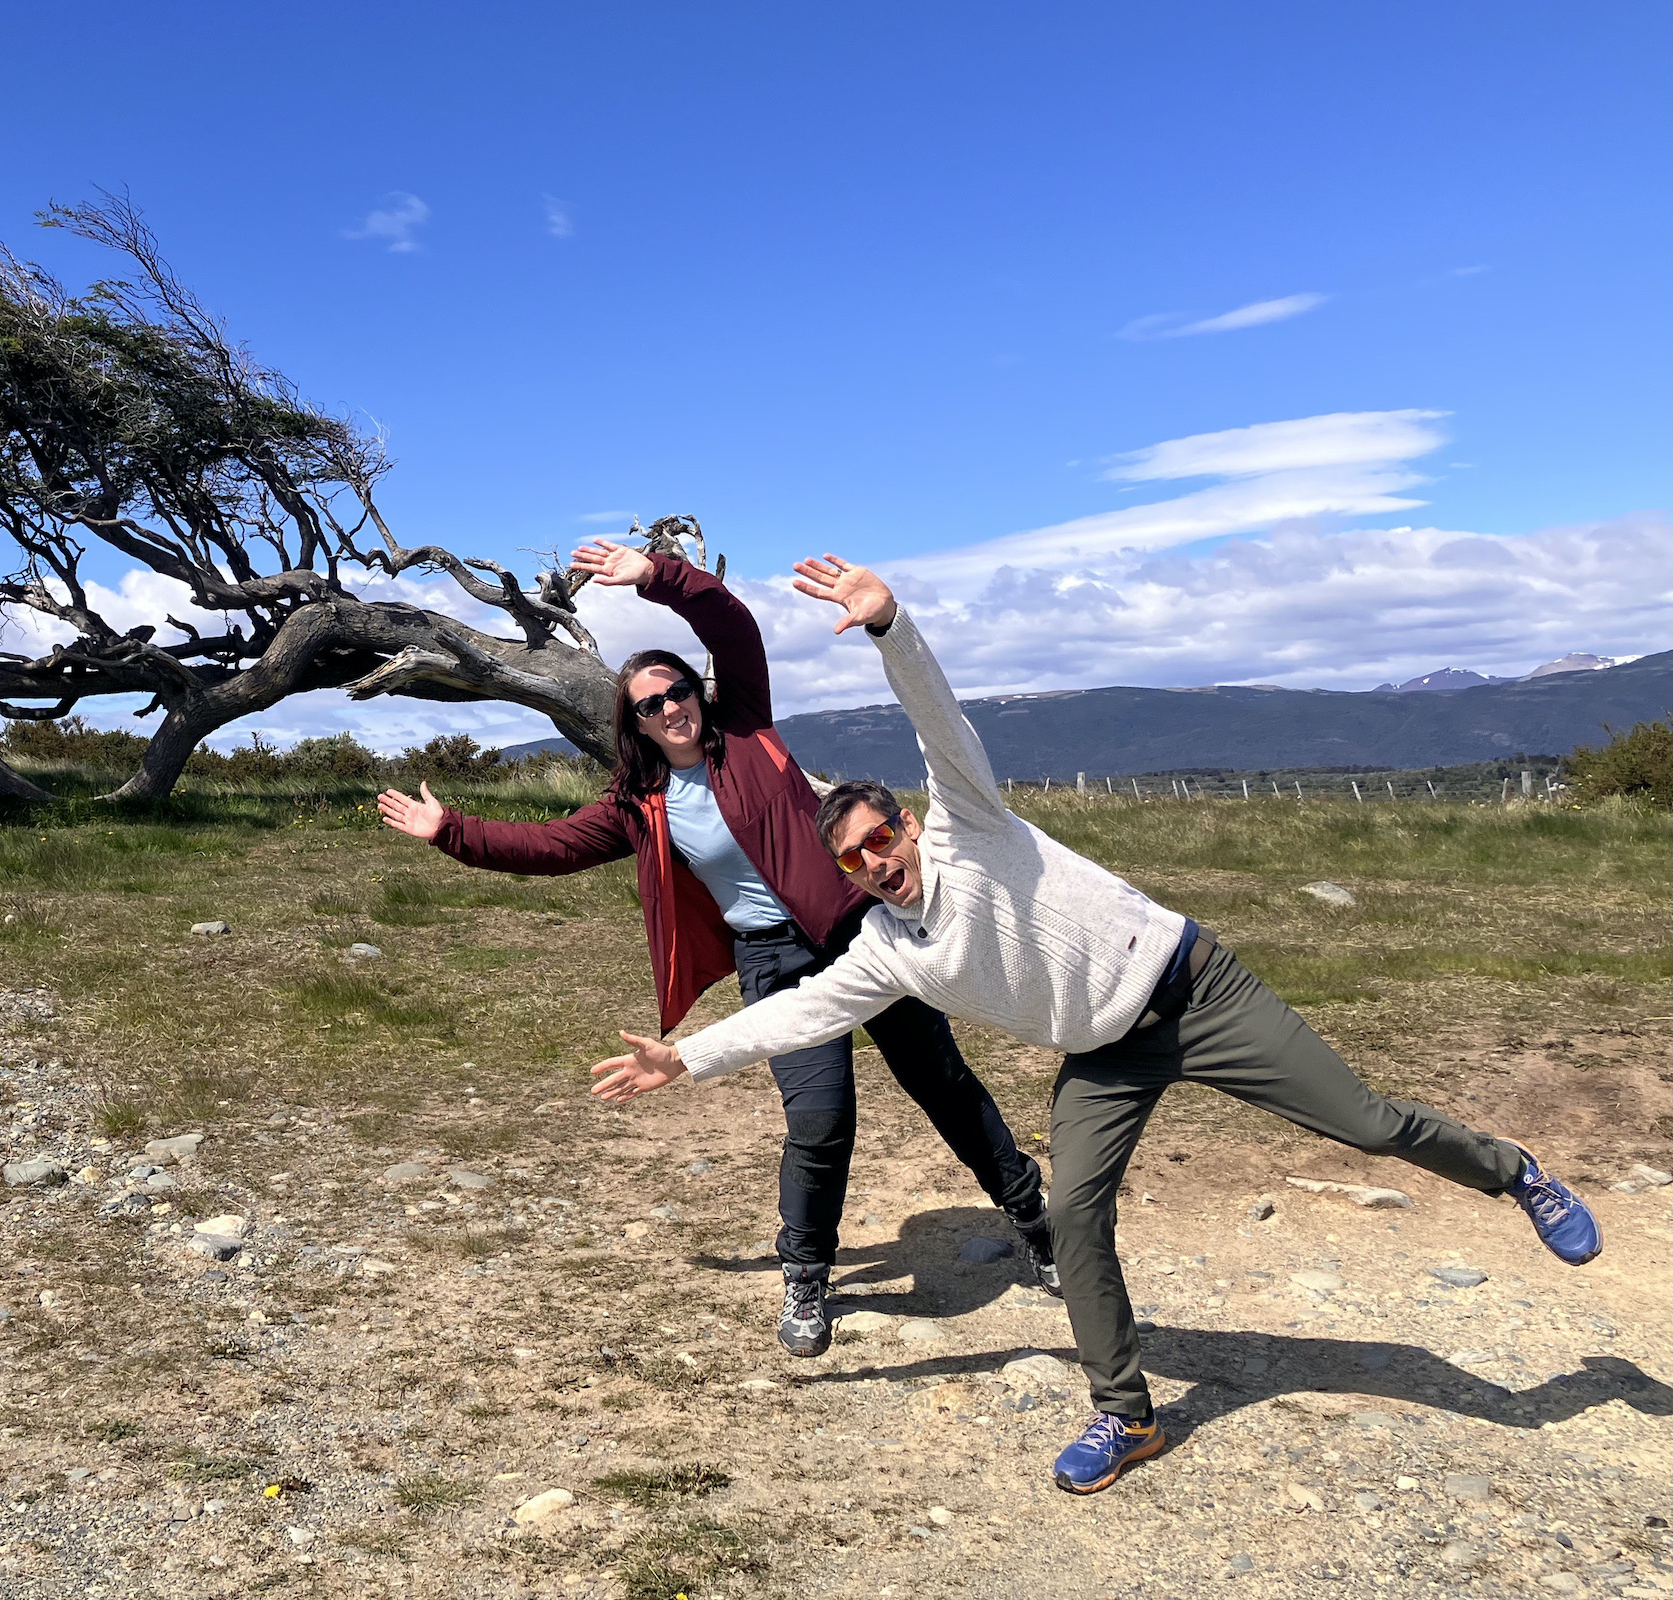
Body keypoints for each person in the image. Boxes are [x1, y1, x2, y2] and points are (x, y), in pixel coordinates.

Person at [588, 552, 1605, 1495]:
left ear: (906, 823)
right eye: (851, 861)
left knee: (1368, 1122)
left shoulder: (972, 825)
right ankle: (1129, 1414)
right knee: (1072, 1212)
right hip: (1105, 1055)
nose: (875, 865)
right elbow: (800, 1011)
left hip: (1196, 991)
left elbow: (937, 720)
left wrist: (892, 626)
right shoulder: (890, 949)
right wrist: (685, 1056)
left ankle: (1517, 1172)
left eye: (880, 840)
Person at [376, 538, 1057, 1360]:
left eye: (677, 690)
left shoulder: (746, 730)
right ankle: (807, 1271)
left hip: (860, 934)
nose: (670, 707)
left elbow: (733, 629)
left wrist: (659, 577)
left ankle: (1033, 1221)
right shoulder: (639, 804)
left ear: (697, 694)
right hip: (771, 962)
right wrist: (451, 831)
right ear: (632, 723)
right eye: (650, 704)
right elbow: (548, 845)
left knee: (941, 1082)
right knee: (819, 1119)